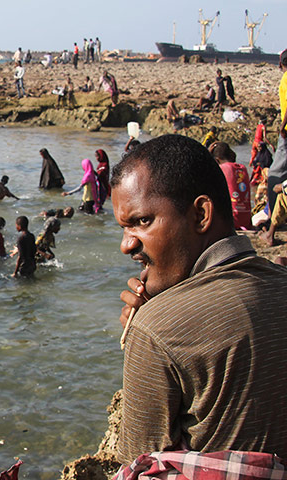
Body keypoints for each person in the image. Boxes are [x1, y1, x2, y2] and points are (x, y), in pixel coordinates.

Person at [112, 134, 287, 473]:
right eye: (123, 227)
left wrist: (150, 328)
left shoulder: (155, 330)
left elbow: (137, 465)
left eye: (142, 221)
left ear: (201, 215)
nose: (126, 245)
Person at [210, 142, 251, 231]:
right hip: (246, 220)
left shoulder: (222, 168)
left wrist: (208, 156)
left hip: (231, 221)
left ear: (217, 160)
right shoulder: (243, 168)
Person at [267, 50, 287, 217]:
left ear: (280, 64)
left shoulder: (286, 78)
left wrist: (282, 126)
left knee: (275, 173)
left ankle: (274, 214)